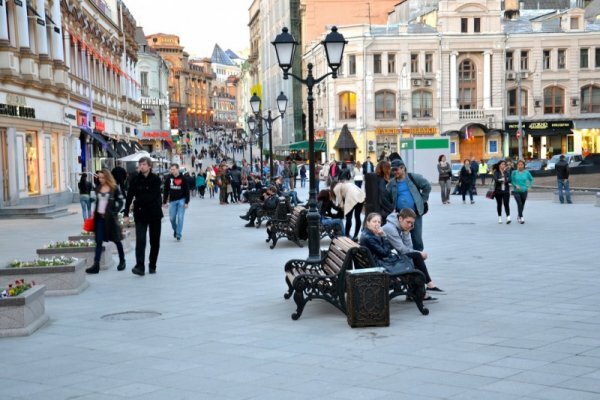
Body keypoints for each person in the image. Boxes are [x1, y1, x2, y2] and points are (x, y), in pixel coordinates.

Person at [382, 208, 443, 292]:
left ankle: (423, 290)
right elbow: (402, 250)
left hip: (387, 258)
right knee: (416, 257)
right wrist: (419, 253)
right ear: (400, 219)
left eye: (412, 223)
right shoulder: (390, 228)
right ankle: (427, 287)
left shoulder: (399, 226)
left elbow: (409, 248)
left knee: (415, 257)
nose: (410, 225)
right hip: (385, 261)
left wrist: (406, 233)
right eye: (408, 222)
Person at [124, 157, 163, 276]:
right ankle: (140, 266)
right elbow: (129, 196)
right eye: (140, 164)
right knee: (140, 241)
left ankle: (152, 265)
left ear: (149, 166)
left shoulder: (156, 179)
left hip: (154, 213)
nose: (141, 166)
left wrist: (139, 200)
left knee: (154, 241)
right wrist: (126, 213)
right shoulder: (135, 179)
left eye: (144, 164)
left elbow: (153, 195)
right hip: (140, 214)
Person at [386, 159, 431, 251]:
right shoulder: (392, 183)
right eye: (393, 170)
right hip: (401, 216)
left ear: (403, 168)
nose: (395, 172)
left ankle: (418, 258)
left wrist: (422, 200)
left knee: (417, 238)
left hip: (415, 214)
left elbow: (427, 186)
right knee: (400, 239)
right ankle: (405, 259)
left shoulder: (413, 177)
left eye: (396, 169)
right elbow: (387, 196)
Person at [86, 169, 126, 274]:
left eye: (103, 177)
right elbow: (94, 201)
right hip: (99, 219)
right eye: (99, 177)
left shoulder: (114, 188)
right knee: (98, 241)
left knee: (117, 240)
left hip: (111, 219)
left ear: (107, 177)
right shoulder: (98, 188)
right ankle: (96, 264)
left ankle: (122, 261)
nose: (101, 179)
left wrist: (114, 212)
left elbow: (121, 201)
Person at [331, 176, 365, 241]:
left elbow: (340, 200)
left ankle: (346, 235)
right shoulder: (345, 184)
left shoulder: (336, 187)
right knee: (357, 217)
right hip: (360, 195)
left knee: (348, 217)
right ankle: (355, 236)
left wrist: (342, 208)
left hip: (351, 196)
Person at [163, 163, 190, 241]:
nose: (172, 171)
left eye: (174, 169)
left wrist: (186, 202)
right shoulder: (168, 178)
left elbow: (187, 191)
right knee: (172, 218)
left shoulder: (183, 178)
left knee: (180, 217)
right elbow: (166, 190)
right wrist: (164, 201)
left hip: (182, 199)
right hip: (172, 201)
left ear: (178, 169)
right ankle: (175, 230)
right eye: (171, 169)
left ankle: (178, 233)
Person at [511, 159, 534, 224]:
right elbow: (512, 181)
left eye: (521, 165)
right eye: (519, 165)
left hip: (524, 190)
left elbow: (531, 180)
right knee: (519, 204)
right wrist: (515, 185)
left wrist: (529, 187)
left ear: (524, 165)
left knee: (522, 205)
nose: (520, 166)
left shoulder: (527, 172)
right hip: (516, 191)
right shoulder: (514, 172)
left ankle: (519, 215)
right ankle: (521, 217)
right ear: (517, 165)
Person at [492, 160, 511, 224]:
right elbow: (496, 180)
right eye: (502, 164)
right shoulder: (496, 172)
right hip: (498, 190)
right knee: (499, 204)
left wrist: (504, 179)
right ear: (499, 165)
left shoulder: (507, 172)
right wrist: (501, 180)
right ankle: (499, 217)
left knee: (506, 203)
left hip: (506, 190)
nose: (503, 165)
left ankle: (508, 217)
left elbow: (509, 180)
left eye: (504, 164)